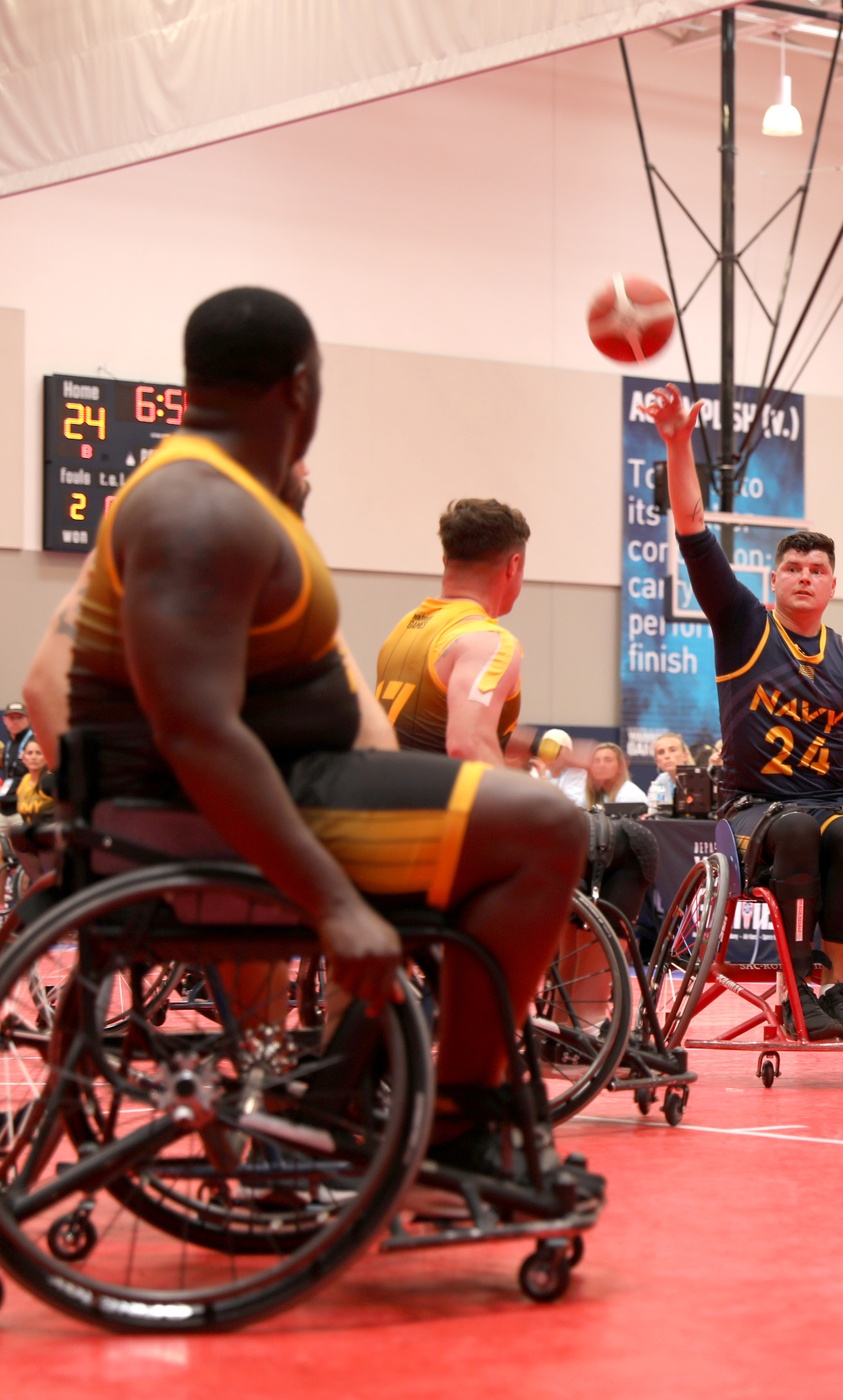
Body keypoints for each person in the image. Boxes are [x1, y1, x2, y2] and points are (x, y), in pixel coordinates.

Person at [32, 287, 597, 1190]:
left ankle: (345, 1093)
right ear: (301, 387)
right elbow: (196, 729)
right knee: (546, 828)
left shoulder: (217, 496)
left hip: (281, 785)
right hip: (219, 814)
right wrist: (333, 903)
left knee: (502, 830)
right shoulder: (200, 511)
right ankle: (457, 1125)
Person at [647, 383, 843, 1042]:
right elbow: (692, 532)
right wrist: (679, 443)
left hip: (831, 804)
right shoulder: (743, 625)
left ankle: (835, 987)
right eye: (792, 566)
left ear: (833, 583)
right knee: (797, 829)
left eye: (817, 568)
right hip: (752, 808)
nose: (804, 575)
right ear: (773, 581)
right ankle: (796, 982)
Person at [376, 498, 527, 765]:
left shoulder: (407, 626)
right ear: (513, 565)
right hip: (435, 804)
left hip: (380, 796)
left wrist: (535, 746)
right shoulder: (489, 642)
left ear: (445, 560)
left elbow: (433, 727)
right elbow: (468, 744)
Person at [0, 702, 35, 837]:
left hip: (23, 809)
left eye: (19, 718)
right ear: (4, 720)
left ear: (28, 719)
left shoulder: (33, 743)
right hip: (6, 808)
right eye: (11, 718)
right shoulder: (8, 744)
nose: (15, 722)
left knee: (23, 854)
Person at [583, 743, 646, 810]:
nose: (601, 765)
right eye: (596, 761)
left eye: (608, 760)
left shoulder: (630, 795)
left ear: (620, 766)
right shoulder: (590, 795)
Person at [646, 731, 693, 809]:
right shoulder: (660, 781)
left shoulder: (698, 779)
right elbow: (653, 810)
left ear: (685, 756)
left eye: (672, 750)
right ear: (657, 761)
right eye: (661, 752)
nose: (667, 756)